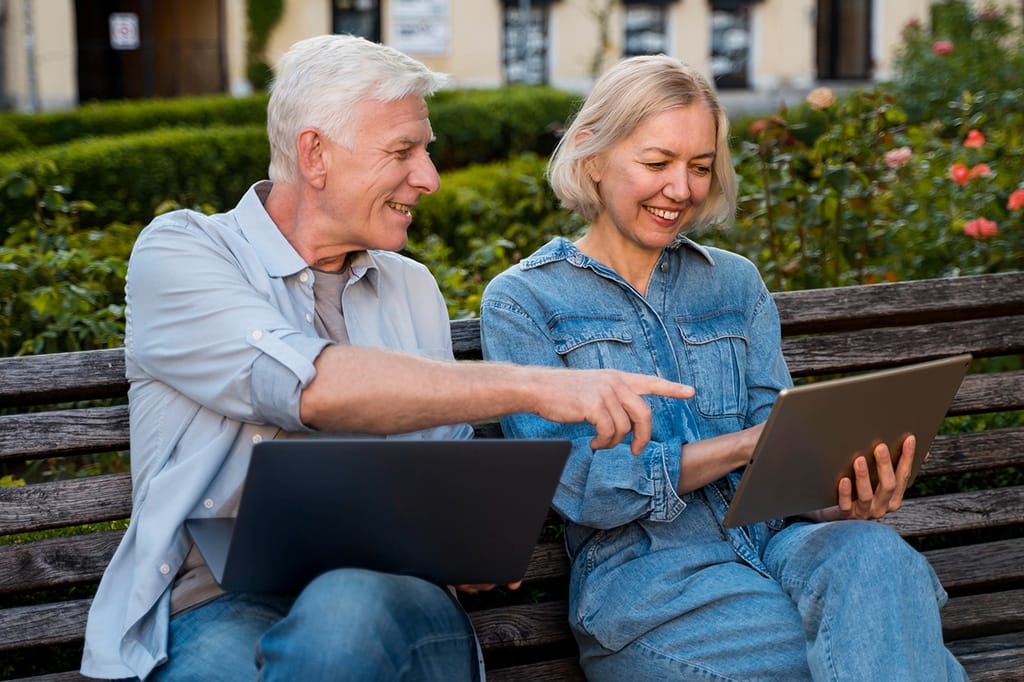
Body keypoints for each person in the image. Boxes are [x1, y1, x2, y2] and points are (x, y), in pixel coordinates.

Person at [80, 36, 695, 682]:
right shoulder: (182, 254)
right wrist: (536, 387)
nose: (428, 177)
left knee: (346, 608)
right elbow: (306, 384)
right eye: (403, 151)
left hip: (395, 602)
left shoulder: (410, 288)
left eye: (424, 151)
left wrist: (474, 548)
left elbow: (445, 482)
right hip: (216, 607)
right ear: (314, 154)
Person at [479, 54, 968, 681]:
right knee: (890, 652)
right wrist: (740, 447)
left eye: (700, 167)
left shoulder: (734, 284)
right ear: (591, 155)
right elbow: (581, 484)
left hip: (781, 548)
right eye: (657, 163)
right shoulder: (526, 300)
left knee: (875, 556)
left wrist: (841, 493)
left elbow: (783, 453)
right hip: (652, 589)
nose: (681, 189)